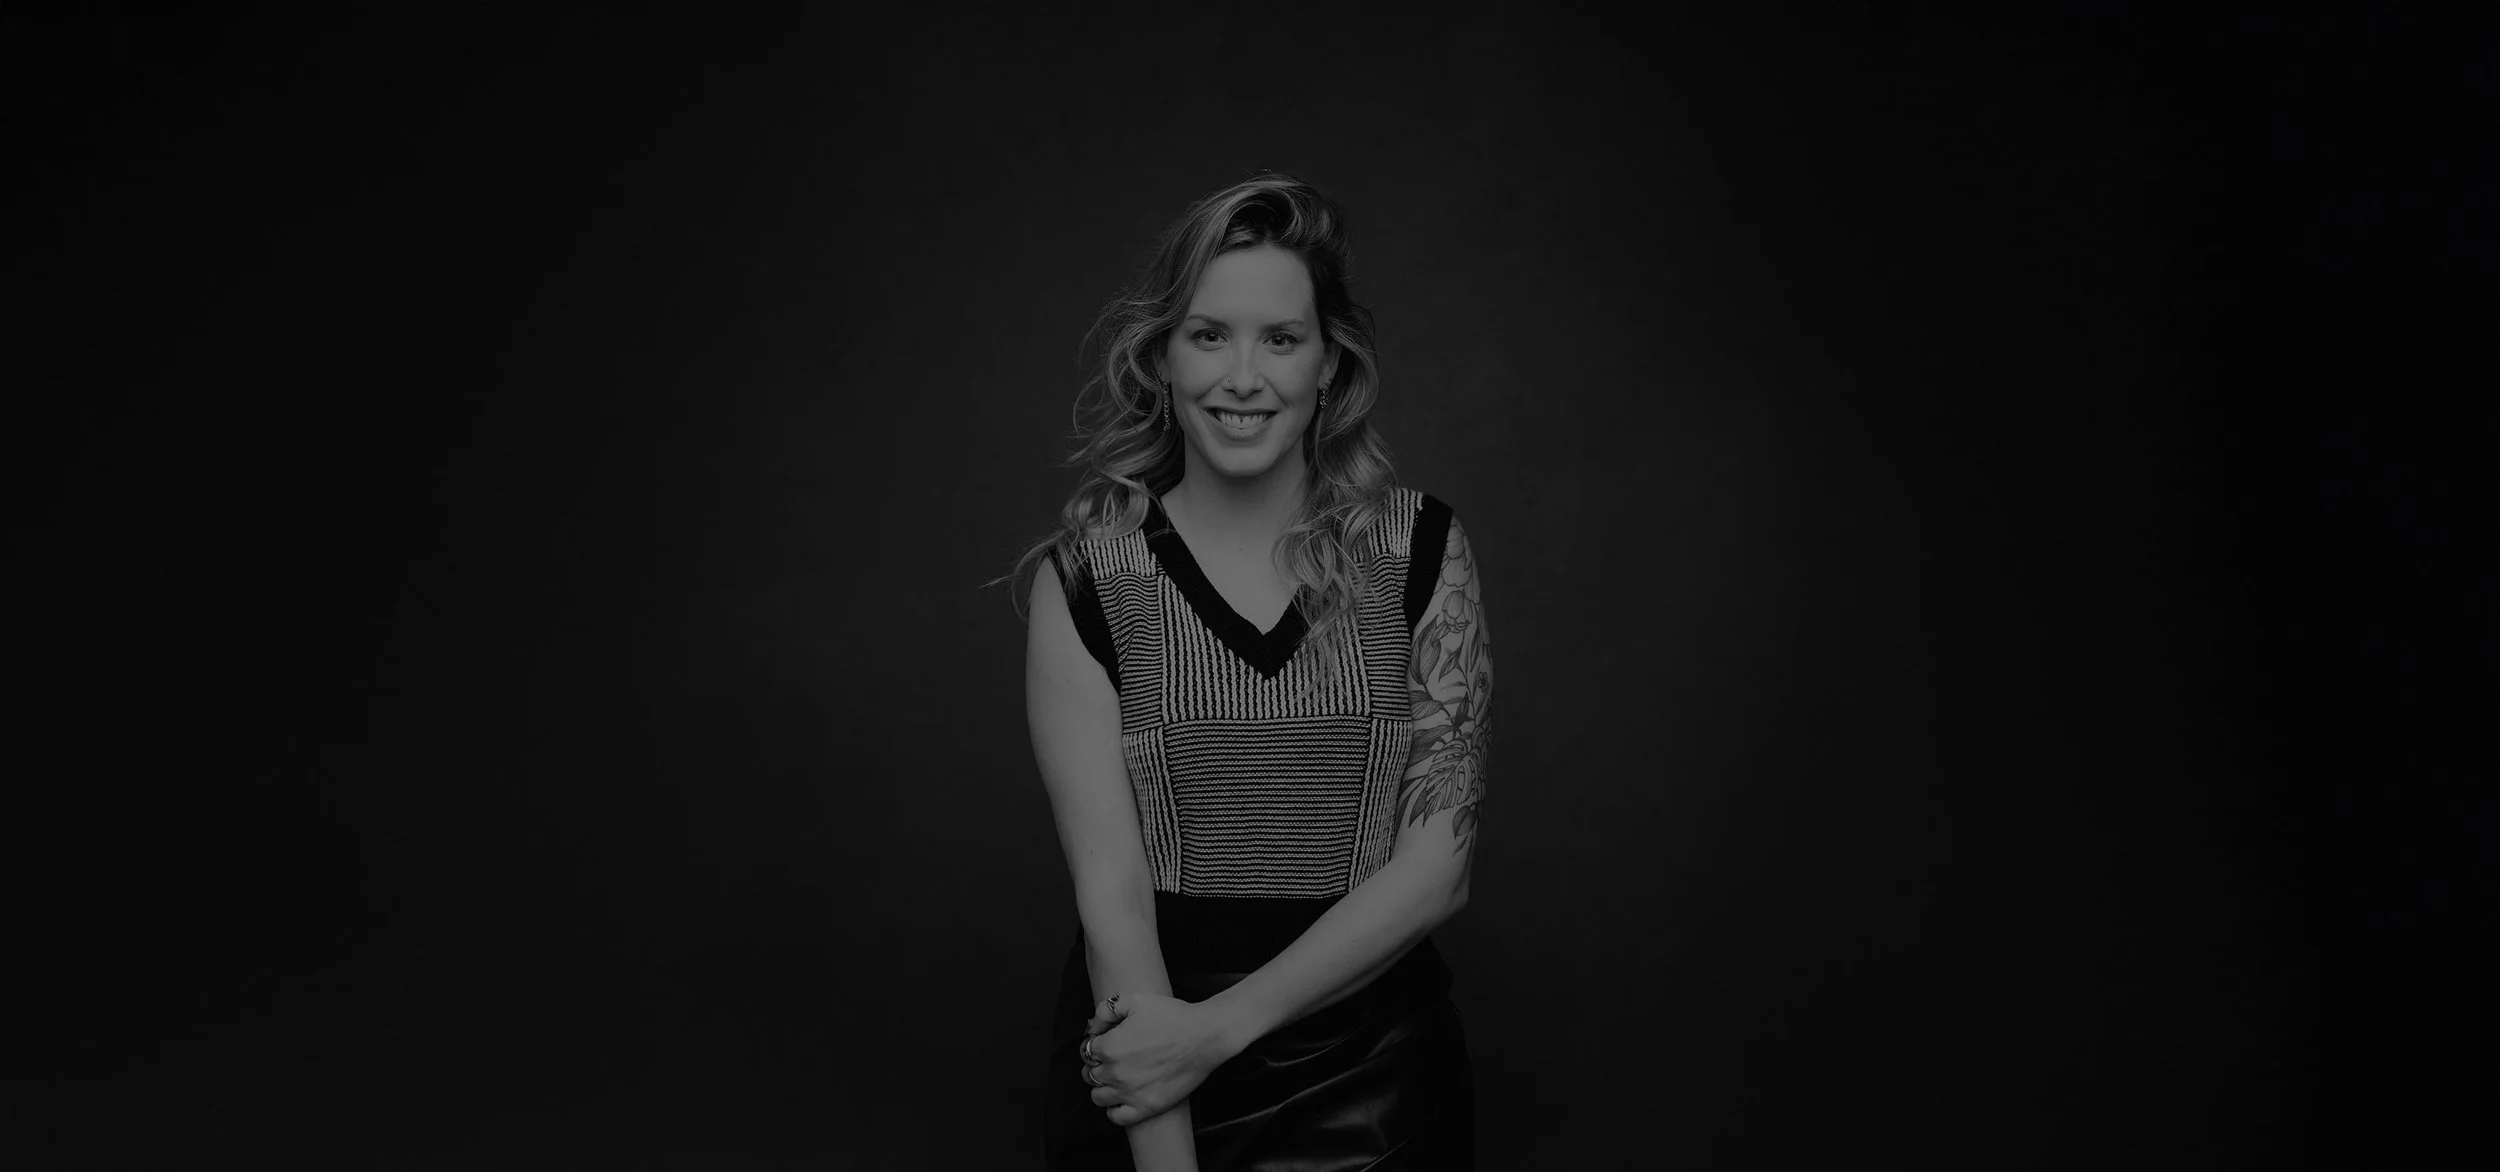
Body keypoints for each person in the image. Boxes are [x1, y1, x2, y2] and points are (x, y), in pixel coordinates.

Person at [998, 171, 1491, 1170]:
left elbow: (1437, 870)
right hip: (1144, 1067)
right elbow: (1113, 898)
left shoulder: (1421, 550)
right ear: (1162, 357)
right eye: (1209, 335)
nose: (1243, 377)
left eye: (1281, 339)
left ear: (1328, 361)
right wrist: (1166, 1126)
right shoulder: (1087, 578)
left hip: (1376, 1080)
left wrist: (1216, 1031)